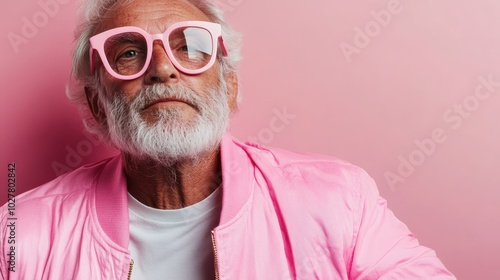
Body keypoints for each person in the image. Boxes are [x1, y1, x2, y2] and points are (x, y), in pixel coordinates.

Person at [0, 0, 456, 279]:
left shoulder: (338, 201)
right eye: (130, 52)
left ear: (229, 85)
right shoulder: (20, 234)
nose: (162, 69)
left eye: (190, 47)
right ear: (99, 106)